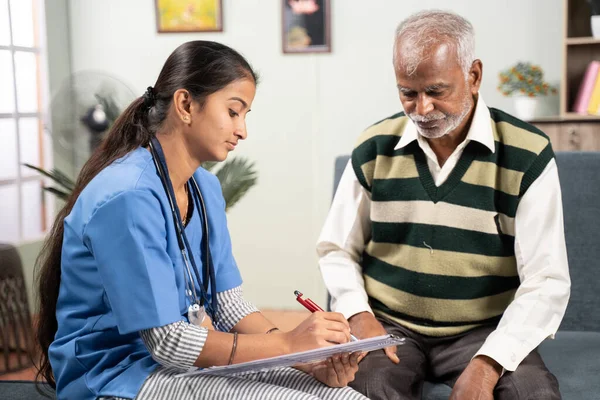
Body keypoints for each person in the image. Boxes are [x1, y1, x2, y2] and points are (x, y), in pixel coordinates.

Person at [35, 40, 368, 400]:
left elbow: (229, 305)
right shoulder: (127, 198)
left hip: (183, 366)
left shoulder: (205, 188)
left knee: (345, 397)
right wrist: (289, 343)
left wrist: (309, 358)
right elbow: (168, 342)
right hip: (115, 376)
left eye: (245, 116)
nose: (242, 131)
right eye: (233, 112)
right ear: (185, 105)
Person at [317, 10, 571, 400]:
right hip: (389, 327)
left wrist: (488, 364)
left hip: (484, 330)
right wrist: (359, 314)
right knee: (359, 392)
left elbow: (546, 280)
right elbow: (337, 249)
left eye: (436, 91)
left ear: (473, 76)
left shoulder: (527, 153)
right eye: (408, 92)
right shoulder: (373, 147)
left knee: (532, 393)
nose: (422, 109)